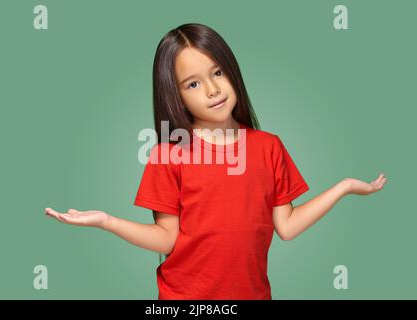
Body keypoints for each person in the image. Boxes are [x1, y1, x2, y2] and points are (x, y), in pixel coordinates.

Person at [45, 23, 387, 300]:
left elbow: (287, 226)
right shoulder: (169, 153)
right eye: (193, 83)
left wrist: (344, 188)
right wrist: (106, 221)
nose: (212, 89)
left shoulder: (268, 147)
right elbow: (167, 239)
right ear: (175, 95)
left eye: (218, 72)